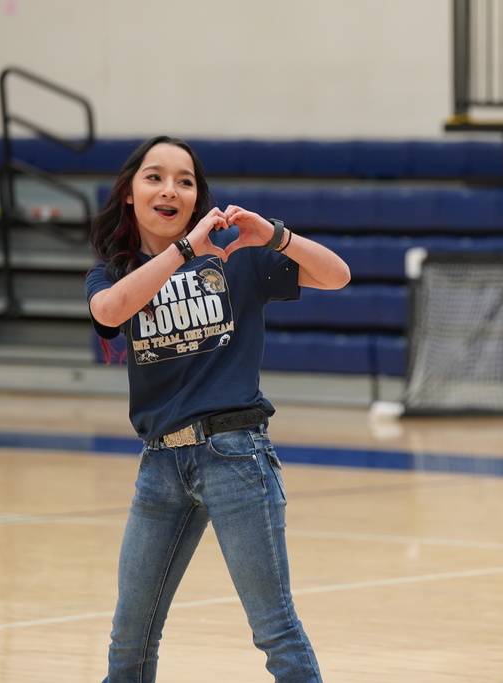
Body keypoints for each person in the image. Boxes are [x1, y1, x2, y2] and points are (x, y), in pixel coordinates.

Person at [86, 135, 350, 682]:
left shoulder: (237, 261)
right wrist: (182, 252)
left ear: (197, 200)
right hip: (159, 466)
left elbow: (337, 275)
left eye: (185, 181)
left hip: (236, 457)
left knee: (275, 630)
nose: (170, 189)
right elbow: (109, 313)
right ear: (130, 194)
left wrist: (275, 236)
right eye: (155, 177)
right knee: (129, 641)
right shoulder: (114, 274)